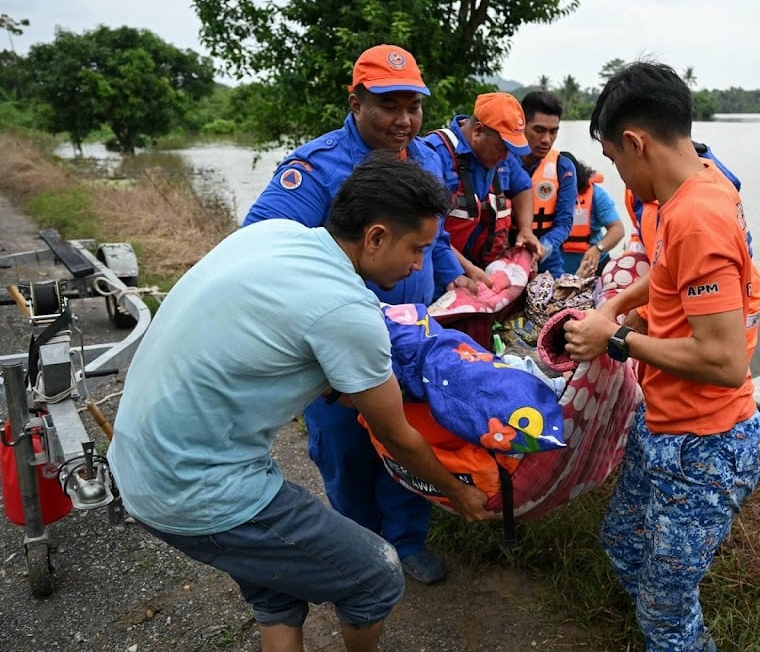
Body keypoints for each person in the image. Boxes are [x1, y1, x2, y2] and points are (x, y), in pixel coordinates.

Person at [107, 155, 493, 652]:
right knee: (376, 574)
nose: (420, 265)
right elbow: (397, 436)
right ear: (375, 237)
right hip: (195, 488)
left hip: (136, 461)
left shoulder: (275, 235)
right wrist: (458, 493)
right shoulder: (347, 309)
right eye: (417, 248)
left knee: (278, 588)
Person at [243, 44, 474, 585]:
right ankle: (363, 549)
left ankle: (408, 540)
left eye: (413, 106)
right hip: (337, 347)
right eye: (388, 105)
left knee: (412, 436)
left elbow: (435, 238)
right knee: (347, 452)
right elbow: (261, 250)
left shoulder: (425, 158)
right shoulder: (316, 168)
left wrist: (455, 275)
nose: (404, 120)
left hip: (410, 338)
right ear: (355, 102)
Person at [562, 62, 760, 652]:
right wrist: (617, 305)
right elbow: (667, 272)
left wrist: (615, 339)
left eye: (615, 159)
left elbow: (724, 361)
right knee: (623, 543)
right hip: (662, 420)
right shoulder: (697, 185)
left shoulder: (698, 216)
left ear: (636, 142)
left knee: (666, 611)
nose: (619, 175)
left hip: (707, 443)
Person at [424, 91, 542, 268]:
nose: (505, 156)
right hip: (440, 269)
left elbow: (523, 187)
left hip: (481, 266)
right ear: (478, 131)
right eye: (501, 148)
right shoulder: (433, 154)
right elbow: (425, 230)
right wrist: (466, 270)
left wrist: (526, 229)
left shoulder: (502, 155)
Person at [518, 91, 577, 277]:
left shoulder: (563, 167)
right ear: (522, 125)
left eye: (553, 132)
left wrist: (541, 248)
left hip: (547, 258)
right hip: (505, 252)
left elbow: (564, 222)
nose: (546, 140)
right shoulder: (502, 162)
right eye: (539, 130)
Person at [558, 151, 624, 277]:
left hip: (594, 267)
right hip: (555, 269)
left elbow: (618, 229)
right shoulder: (543, 194)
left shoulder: (596, 195)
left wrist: (598, 248)